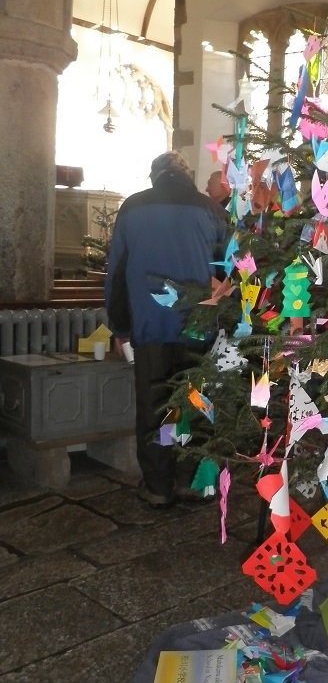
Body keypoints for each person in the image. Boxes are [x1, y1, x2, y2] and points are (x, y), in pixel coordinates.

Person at [105, 151, 229, 507]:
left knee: (155, 404)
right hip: (198, 328)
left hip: (150, 326)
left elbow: (116, 274)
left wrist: (120, 327)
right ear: (186, 174)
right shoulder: (212, 210)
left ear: (154, 175)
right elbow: (227, 271)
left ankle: (158, 485)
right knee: (194, 402)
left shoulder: (133, 207)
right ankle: (191, 480)